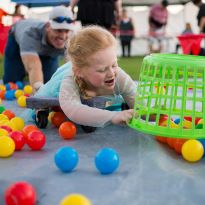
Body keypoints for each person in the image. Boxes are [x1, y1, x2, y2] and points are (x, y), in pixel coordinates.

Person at [33, 26, 136, 128]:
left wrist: (145, 113)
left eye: (114, 65)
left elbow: (138, 102)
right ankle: (39, 87)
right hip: (62, 88)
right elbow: (73, 110)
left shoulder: (119, 77)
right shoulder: (71, 79)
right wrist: (113, 116)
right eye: (102, 70)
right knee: (46, 94)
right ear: (79, 72)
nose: (111, 73)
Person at [3, 5, 75, 93]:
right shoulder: (30, 33)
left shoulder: (71, 39)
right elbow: (33, 67)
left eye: (66, 31)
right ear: (48, 26)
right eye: (58, 30)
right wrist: (39, 98)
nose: (63, 36)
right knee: (11, 83)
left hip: (47, 50)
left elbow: (74, 67)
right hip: (16, 42)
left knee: (50, 83)